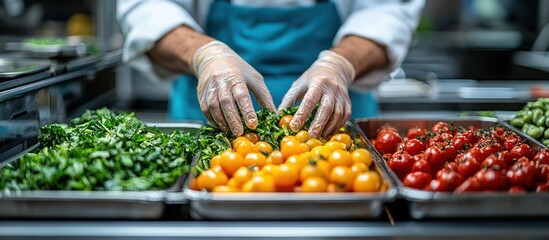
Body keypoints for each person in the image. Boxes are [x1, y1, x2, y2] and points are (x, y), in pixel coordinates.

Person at [117, 0, 424, 138]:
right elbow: (146, 7)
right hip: (206, 120)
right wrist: (205, 55)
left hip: (337, 123)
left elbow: (388, 10)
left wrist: (340, 64)